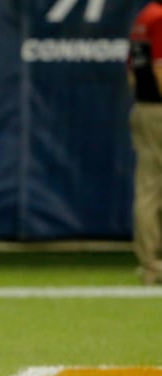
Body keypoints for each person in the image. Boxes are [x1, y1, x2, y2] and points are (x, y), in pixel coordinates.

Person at [128, 0, 162, 285]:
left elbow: (132, 72)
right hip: (159, 112)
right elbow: (161, 67)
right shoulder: (160, 17)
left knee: (149, 189)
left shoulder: (145, 15)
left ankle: (151, 265)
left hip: (143, 107)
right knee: (151, 191)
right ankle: (153, 264)